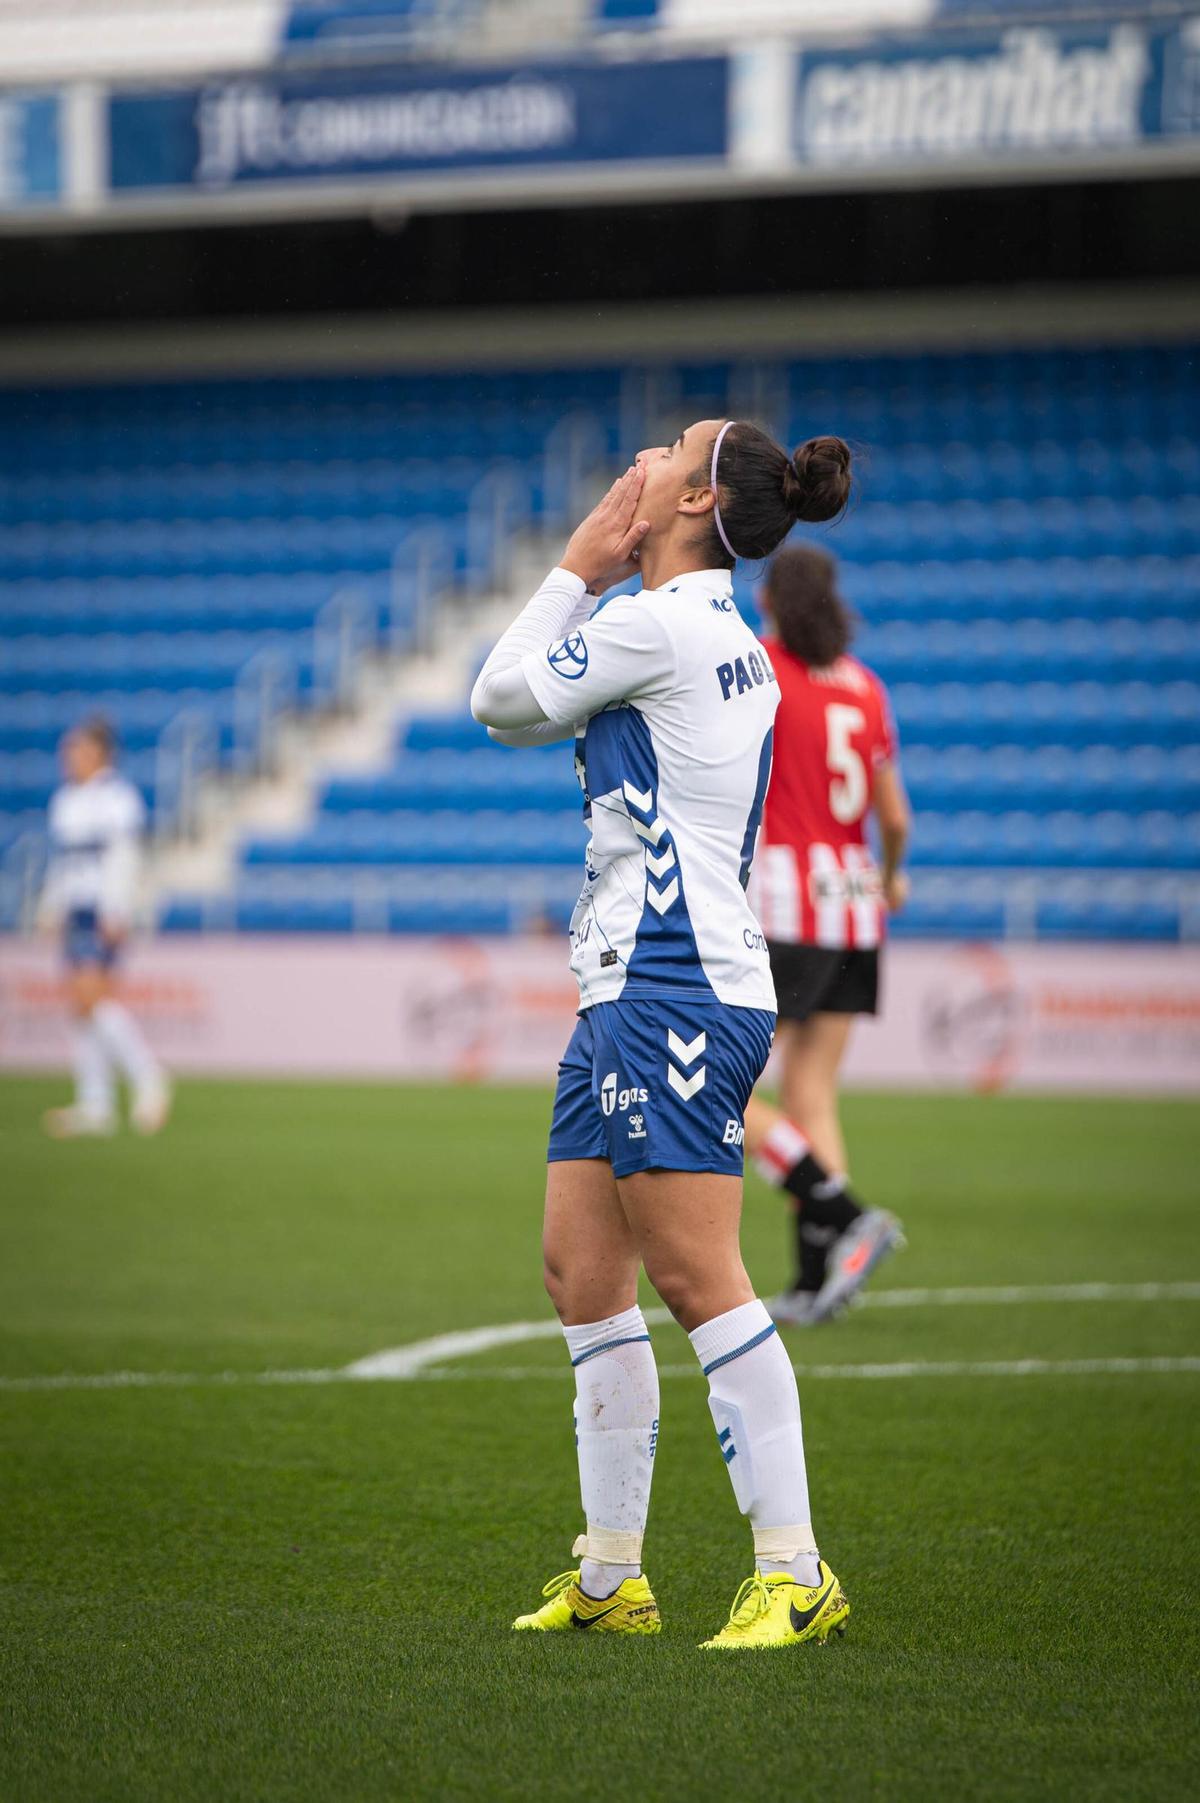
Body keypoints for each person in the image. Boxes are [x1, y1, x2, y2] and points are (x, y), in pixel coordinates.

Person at [471, 419, 855, 1651]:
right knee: (581, 1276)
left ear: (690, 498)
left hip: (676, 985)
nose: (637, 454)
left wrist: (578, 561)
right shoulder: (715, 631)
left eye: (665, 447)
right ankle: (614, 1574)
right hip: (632, 986)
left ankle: (795, 1571)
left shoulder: (655, 624)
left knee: (697, 1279)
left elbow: (499, 702)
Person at [744, 546, 910, 1325]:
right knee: (813, 1093)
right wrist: (896, 873)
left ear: (772, 599)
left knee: (720, 1091)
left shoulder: (760, 668)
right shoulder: (865, 685)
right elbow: (895, 816)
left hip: (782, 901)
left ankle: (842, 1214)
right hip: (854, 900)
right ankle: (820, 1280)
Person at [37, 717, 171, 1138]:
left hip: (101, 910)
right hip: (76, 908)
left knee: (94, 1000)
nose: (68, 757)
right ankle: (96, 1104)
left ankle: (149, 1078)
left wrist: (117, 910)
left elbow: (125, 858)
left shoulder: (118, 799)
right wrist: (51, 905)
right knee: (80, 1007)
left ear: (100, 752)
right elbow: (63, 862)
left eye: (76, 748)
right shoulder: (65, 800)